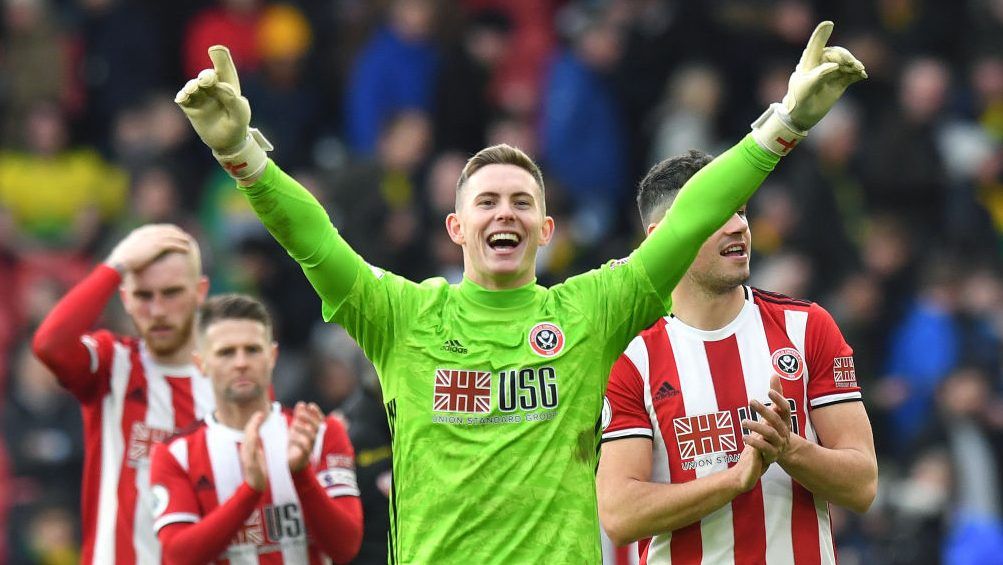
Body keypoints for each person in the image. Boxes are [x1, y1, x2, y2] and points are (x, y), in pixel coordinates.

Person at [175, 21, 865, 563]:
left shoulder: (588, 310)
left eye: (519, 200)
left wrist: (784, 124)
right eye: (485, 201)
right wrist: (244, 157)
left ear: (545, 227)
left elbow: (689, 216)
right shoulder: (400, 314)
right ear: (455, 227)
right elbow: (313, 240)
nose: (502, 211)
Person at [597, 150, 878, 563]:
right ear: (660, 238)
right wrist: (734, 481)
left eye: (742, 211)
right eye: (715, 214)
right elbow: (620, 514)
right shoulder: (632, 356)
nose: (738, 228)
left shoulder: (807, 328)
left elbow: (863, 485)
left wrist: (790, 449)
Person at [31, 223, 214, 564]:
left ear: (200, 291)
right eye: (144, 296)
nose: (157, 310)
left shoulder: (230, 383)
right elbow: (50, 345)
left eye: (171, 293)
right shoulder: (113, 363)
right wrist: (115, 266)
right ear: (125, 297)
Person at [149, 294, 363, 563]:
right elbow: (180, 556)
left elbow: (346, 546)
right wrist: (249, 492)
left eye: (252, 349)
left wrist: (301, 475)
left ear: (272, 355)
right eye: (226, 352)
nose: (241, 362)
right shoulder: (176, 455)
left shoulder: (319, 432)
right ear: (201, 363)